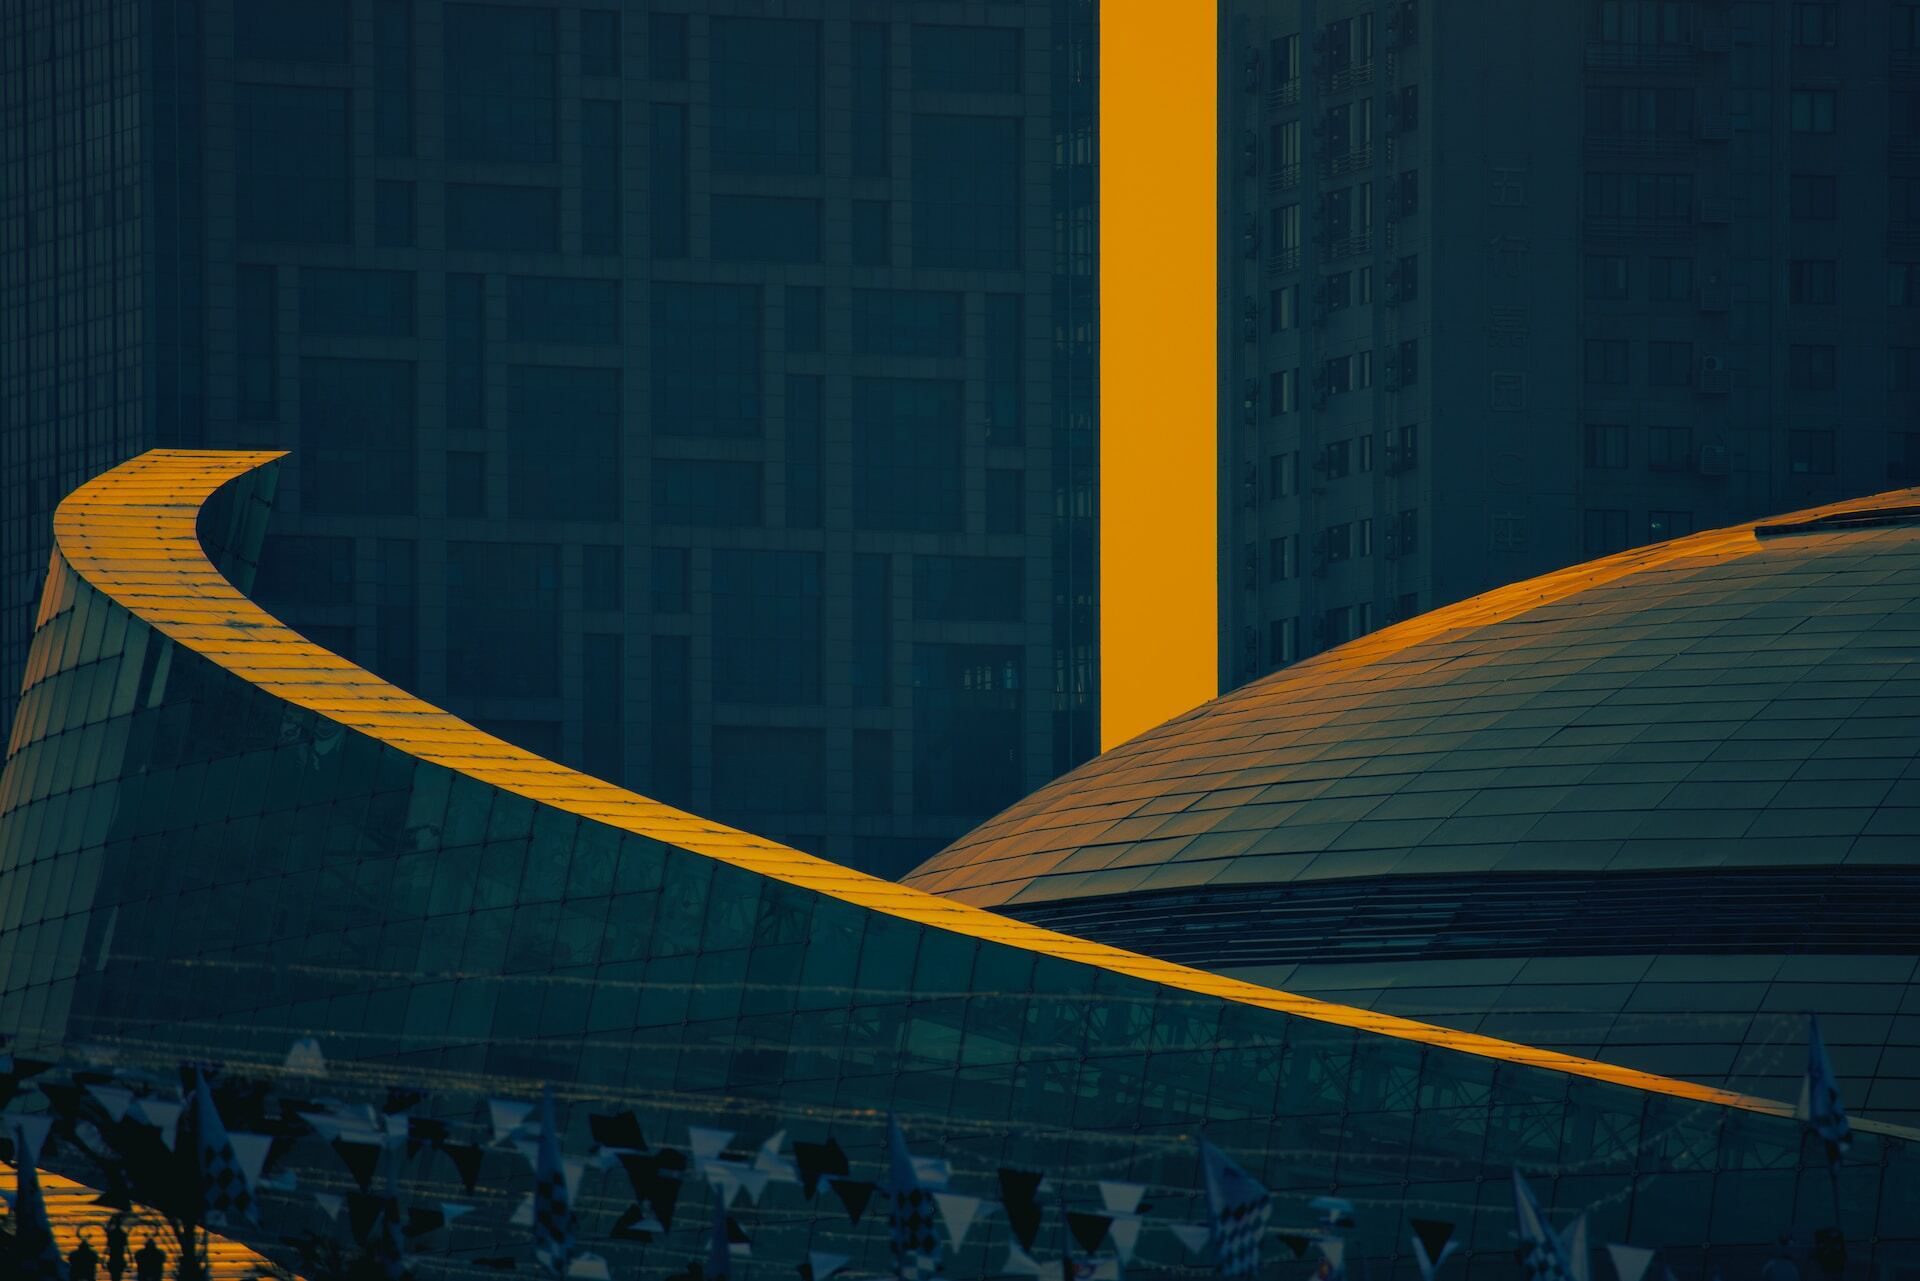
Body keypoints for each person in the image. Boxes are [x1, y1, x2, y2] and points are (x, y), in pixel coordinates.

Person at [105, 1215, 131, 1281]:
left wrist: (104, 1258)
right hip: (120, 1258)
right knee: (118, 1276)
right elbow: (127, 1247)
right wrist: (130, 1258)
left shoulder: (112, 1234)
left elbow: (108, 1247)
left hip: (113, 1258)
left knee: (113, 1276)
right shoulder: (122, 1234)